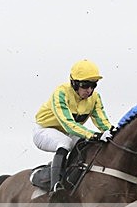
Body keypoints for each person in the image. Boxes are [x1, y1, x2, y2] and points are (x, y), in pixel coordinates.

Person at [32, 59, 113, 191]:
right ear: (74, 83)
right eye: (85, 85)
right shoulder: (61, 93)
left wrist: (113, 132)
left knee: (85, 145)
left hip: (68, 132)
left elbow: (102, 122)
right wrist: (93, 135)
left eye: (93, 85)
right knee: (65, 143)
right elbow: (68, 124)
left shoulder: (95, 98)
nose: (89, 90)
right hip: (44, 130)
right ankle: (55, 187)